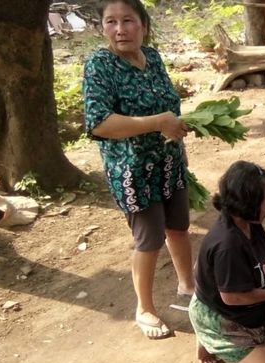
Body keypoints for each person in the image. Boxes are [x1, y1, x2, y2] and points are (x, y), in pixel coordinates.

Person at [83, 0, 195, 339]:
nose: (120, 29)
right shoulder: (100, 65)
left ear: (143, 25)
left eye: (128, 20)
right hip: (132, 170)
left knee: (178, 226)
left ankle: (188, 286)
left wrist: (176, 130)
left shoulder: (154, 58)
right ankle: (144, 309)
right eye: (111, 22)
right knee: (149, 239)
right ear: (102, 28)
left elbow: (168, 108)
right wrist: (156, 122)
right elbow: (99, 123)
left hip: (168, 162)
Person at [189, 161, 265, 363]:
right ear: (249, 204)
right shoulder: (227, 245)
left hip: (252, 306)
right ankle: (212, 340)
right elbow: (232, 297)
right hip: (226, 312)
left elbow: (261, 253)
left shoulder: (250, 221)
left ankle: (245, 346)